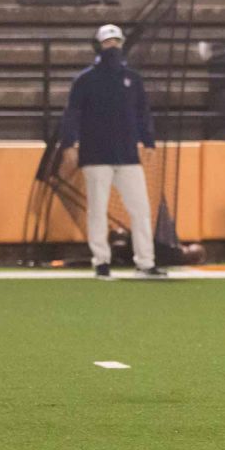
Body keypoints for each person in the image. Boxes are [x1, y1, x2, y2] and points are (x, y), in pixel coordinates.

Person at [59, 24, 165, 278]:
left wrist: (148, 141)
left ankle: (145, 262)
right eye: (108, 43)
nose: (113, 47)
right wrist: (69, 144)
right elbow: (72, 113)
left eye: (116, 42)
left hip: (127, 154)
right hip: (96, 154)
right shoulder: (86, 79)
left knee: (140, 210)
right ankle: (101, 260)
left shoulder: (132, 79)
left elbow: (142, 112)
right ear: (99, 45)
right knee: (97, 209)